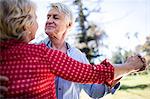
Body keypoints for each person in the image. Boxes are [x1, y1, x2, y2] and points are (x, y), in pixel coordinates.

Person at [0, 0, 146, 98]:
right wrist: (129, 66)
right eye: (48, 16)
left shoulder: (79, 56)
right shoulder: (35, 51)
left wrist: (122, 72)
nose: (49, 20)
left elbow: (95, 92)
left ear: (69, 25)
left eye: (55, 17)